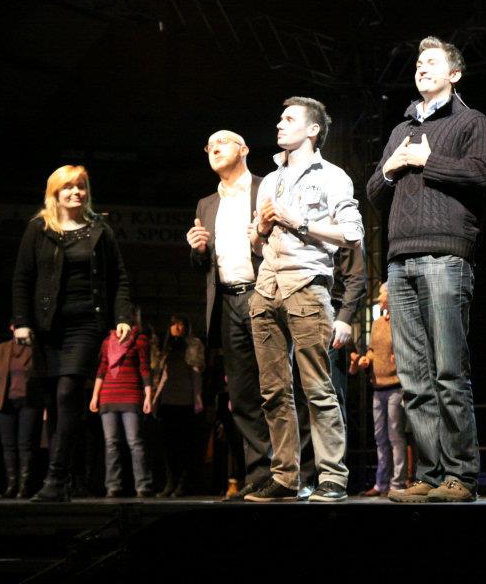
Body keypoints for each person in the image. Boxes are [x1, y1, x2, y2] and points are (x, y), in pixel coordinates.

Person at [366, 36, 486, 503]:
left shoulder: (470, 121)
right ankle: (430, 472)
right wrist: (392, 166)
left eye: (432, 62)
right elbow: (374, 192)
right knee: (414, 379)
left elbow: (484, 174)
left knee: (447, 371)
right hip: (400, 260)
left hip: (445, 255)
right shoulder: (401, 129)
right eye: (419, 62)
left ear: (454, 74)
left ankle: (460, 475)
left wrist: (428, 161)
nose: (421, 67)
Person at [245, 96, 363, 502]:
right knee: (273, 392)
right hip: (266, 288)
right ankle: (285, 476)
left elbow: (352, 234)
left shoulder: (333, 176)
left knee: (317, 388)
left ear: (313, 130)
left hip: (307, 287)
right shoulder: (269, 180)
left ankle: (332, 476)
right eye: (280, 118)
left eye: (289, 118)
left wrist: (301, 223)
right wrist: (260, 230)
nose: (280, 124)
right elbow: (256, 245)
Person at [12, 165, 133, 502]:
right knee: (54, 401)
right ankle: (66, 479)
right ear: (55, 192)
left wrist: (122, 315)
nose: (76, 192)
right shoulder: (38, 228)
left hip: (86, 325)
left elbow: (119, 276)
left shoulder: (99, 229)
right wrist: (22, 321)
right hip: (47, 326)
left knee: (67, 392)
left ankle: (55, 478)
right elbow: (22, 278)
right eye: (68, 187)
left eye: (81, 186)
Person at [186, 130, 272, 500]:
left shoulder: (266, 187)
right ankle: (260, 474)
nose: (214, 148)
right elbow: (203, 266)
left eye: (222, 142)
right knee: (242, 393)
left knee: (276, 387)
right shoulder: (206, 204)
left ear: (244, 149)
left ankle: (294, 471)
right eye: (209, 145)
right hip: (226, 300)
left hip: (262, 294)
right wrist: (197, 250)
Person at [295, 245, 366, 498]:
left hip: (328, 312)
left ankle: (332, 477)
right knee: (299, 400)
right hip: (294, 311)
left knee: (329, 397)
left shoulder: (341, 224)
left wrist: (345, 317)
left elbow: (356, 275)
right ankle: (305, 477)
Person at [353, 282, 406, 497]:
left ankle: (398, 483)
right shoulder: (376, 324)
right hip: (378, 387)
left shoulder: (402, 322)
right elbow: (373, 350)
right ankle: (381, 483)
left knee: (395, 436)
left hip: (396, 387)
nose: (379, 298)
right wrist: (367, 359)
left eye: (382, 294)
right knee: (380, 438)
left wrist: (399, 355)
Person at [90, 319, 154, 497]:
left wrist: (148, 396)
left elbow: (145, 368)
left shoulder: (139, 340)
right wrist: (95, 396)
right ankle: (113, 486)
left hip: (131, 394)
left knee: (135, 442)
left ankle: (143, 485)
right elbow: (102, 368)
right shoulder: (108, 341)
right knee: (111, 443)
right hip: (108, 395)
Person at [151, 314, 205, 497]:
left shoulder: (193, 344)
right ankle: (170, 482)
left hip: (185, 401)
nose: (177, 327)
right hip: (168, 401)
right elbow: (162, 375)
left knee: (184, 446)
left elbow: (196, 373)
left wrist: (197, 399)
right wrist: (155, 400)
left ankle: (183, 483)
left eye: (181, 324)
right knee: (169, 447)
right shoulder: (167, 346)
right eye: (174, 324)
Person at [0, 323, 43, 498]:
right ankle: (11, 486)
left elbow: (41, 376)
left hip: (29, 401)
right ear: (12, 328)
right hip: (5, 401)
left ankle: (24, 487)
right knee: (8, 445)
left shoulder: (35, 348)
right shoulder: (2, 348)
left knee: (25, 444)